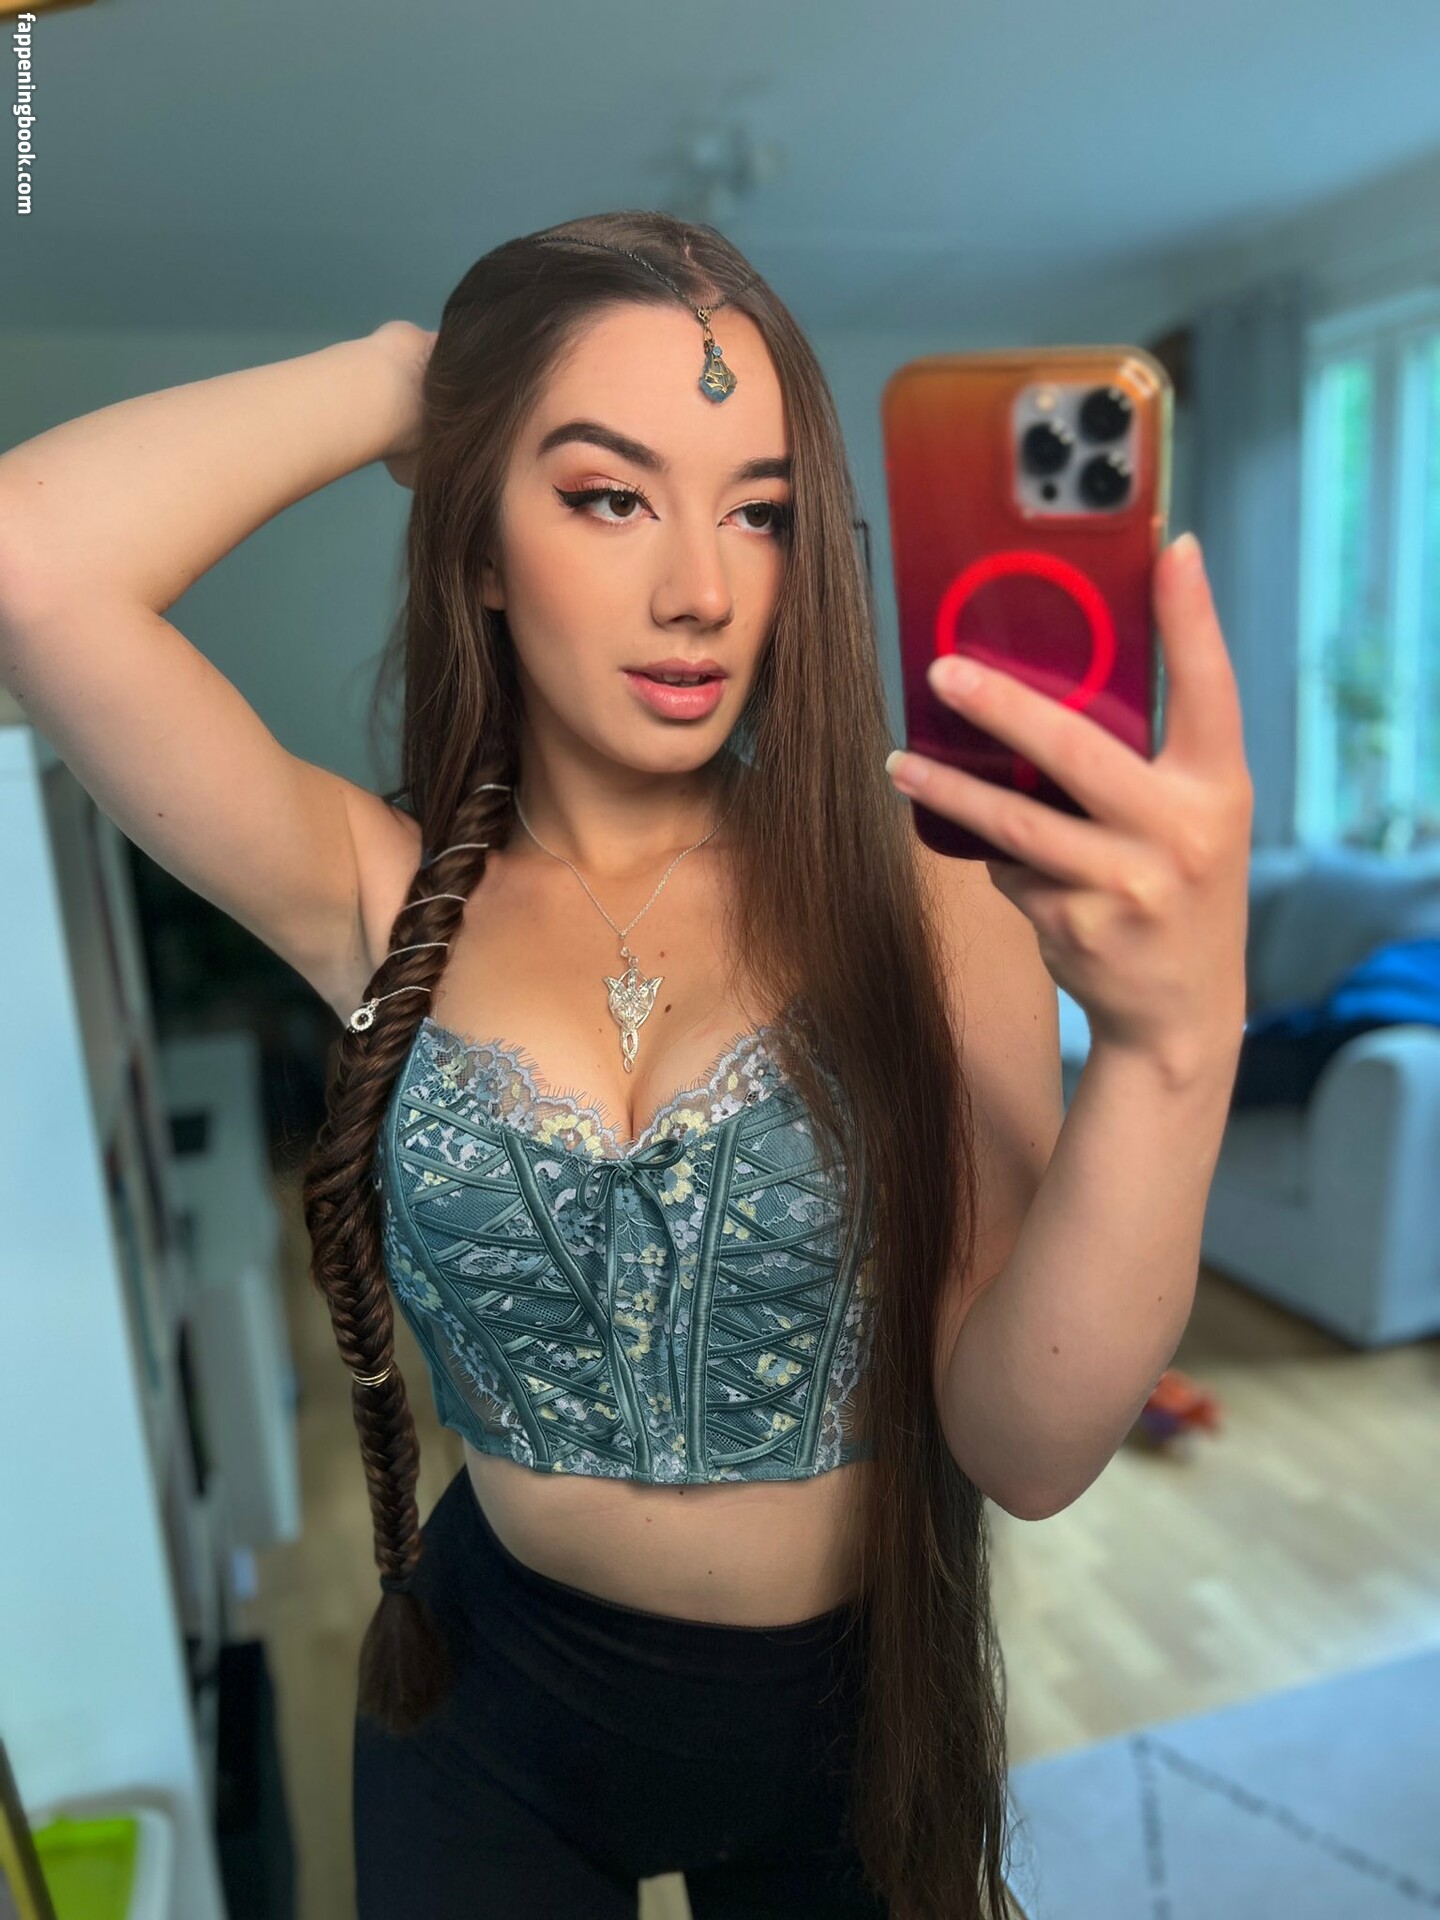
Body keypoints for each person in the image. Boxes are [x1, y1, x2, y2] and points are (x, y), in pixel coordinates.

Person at [0, 209, 1252, 1920]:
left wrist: (1171, 1052)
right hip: (488, 1717)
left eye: (761, 511)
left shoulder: (924, 888)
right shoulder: (377, 891)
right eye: (608, 494)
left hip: (856, 1731)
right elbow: (30, 563)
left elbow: (1027, 1452)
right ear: (482, 542)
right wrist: (413, 382)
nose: (701, 592)